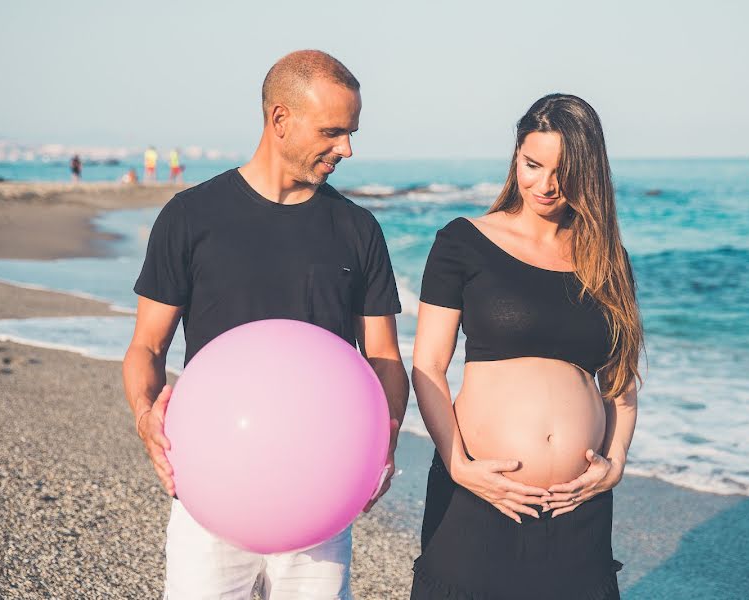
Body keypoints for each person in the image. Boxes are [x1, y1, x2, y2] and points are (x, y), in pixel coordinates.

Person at [122, 50, 408, 600]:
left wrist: (386, 435)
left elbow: (384, 357)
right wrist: (145, 417)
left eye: (351, 132)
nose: (345, 148)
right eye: (332, 131)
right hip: (211, 485)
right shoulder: (190, 217)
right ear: (280, 120)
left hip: (321, 496)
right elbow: (146, 347)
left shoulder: (358, 229)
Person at [410, 94, 643, 599]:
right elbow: (427, 365)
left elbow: (621, 383)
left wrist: (615, 464)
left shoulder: (608, 260)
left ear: (590, 170)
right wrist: (458, 465)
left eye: (563, 170)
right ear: (516, 156)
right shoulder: (463, 242)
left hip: (577, 506)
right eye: (532, 164)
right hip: (479, 494)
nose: (545, 184)